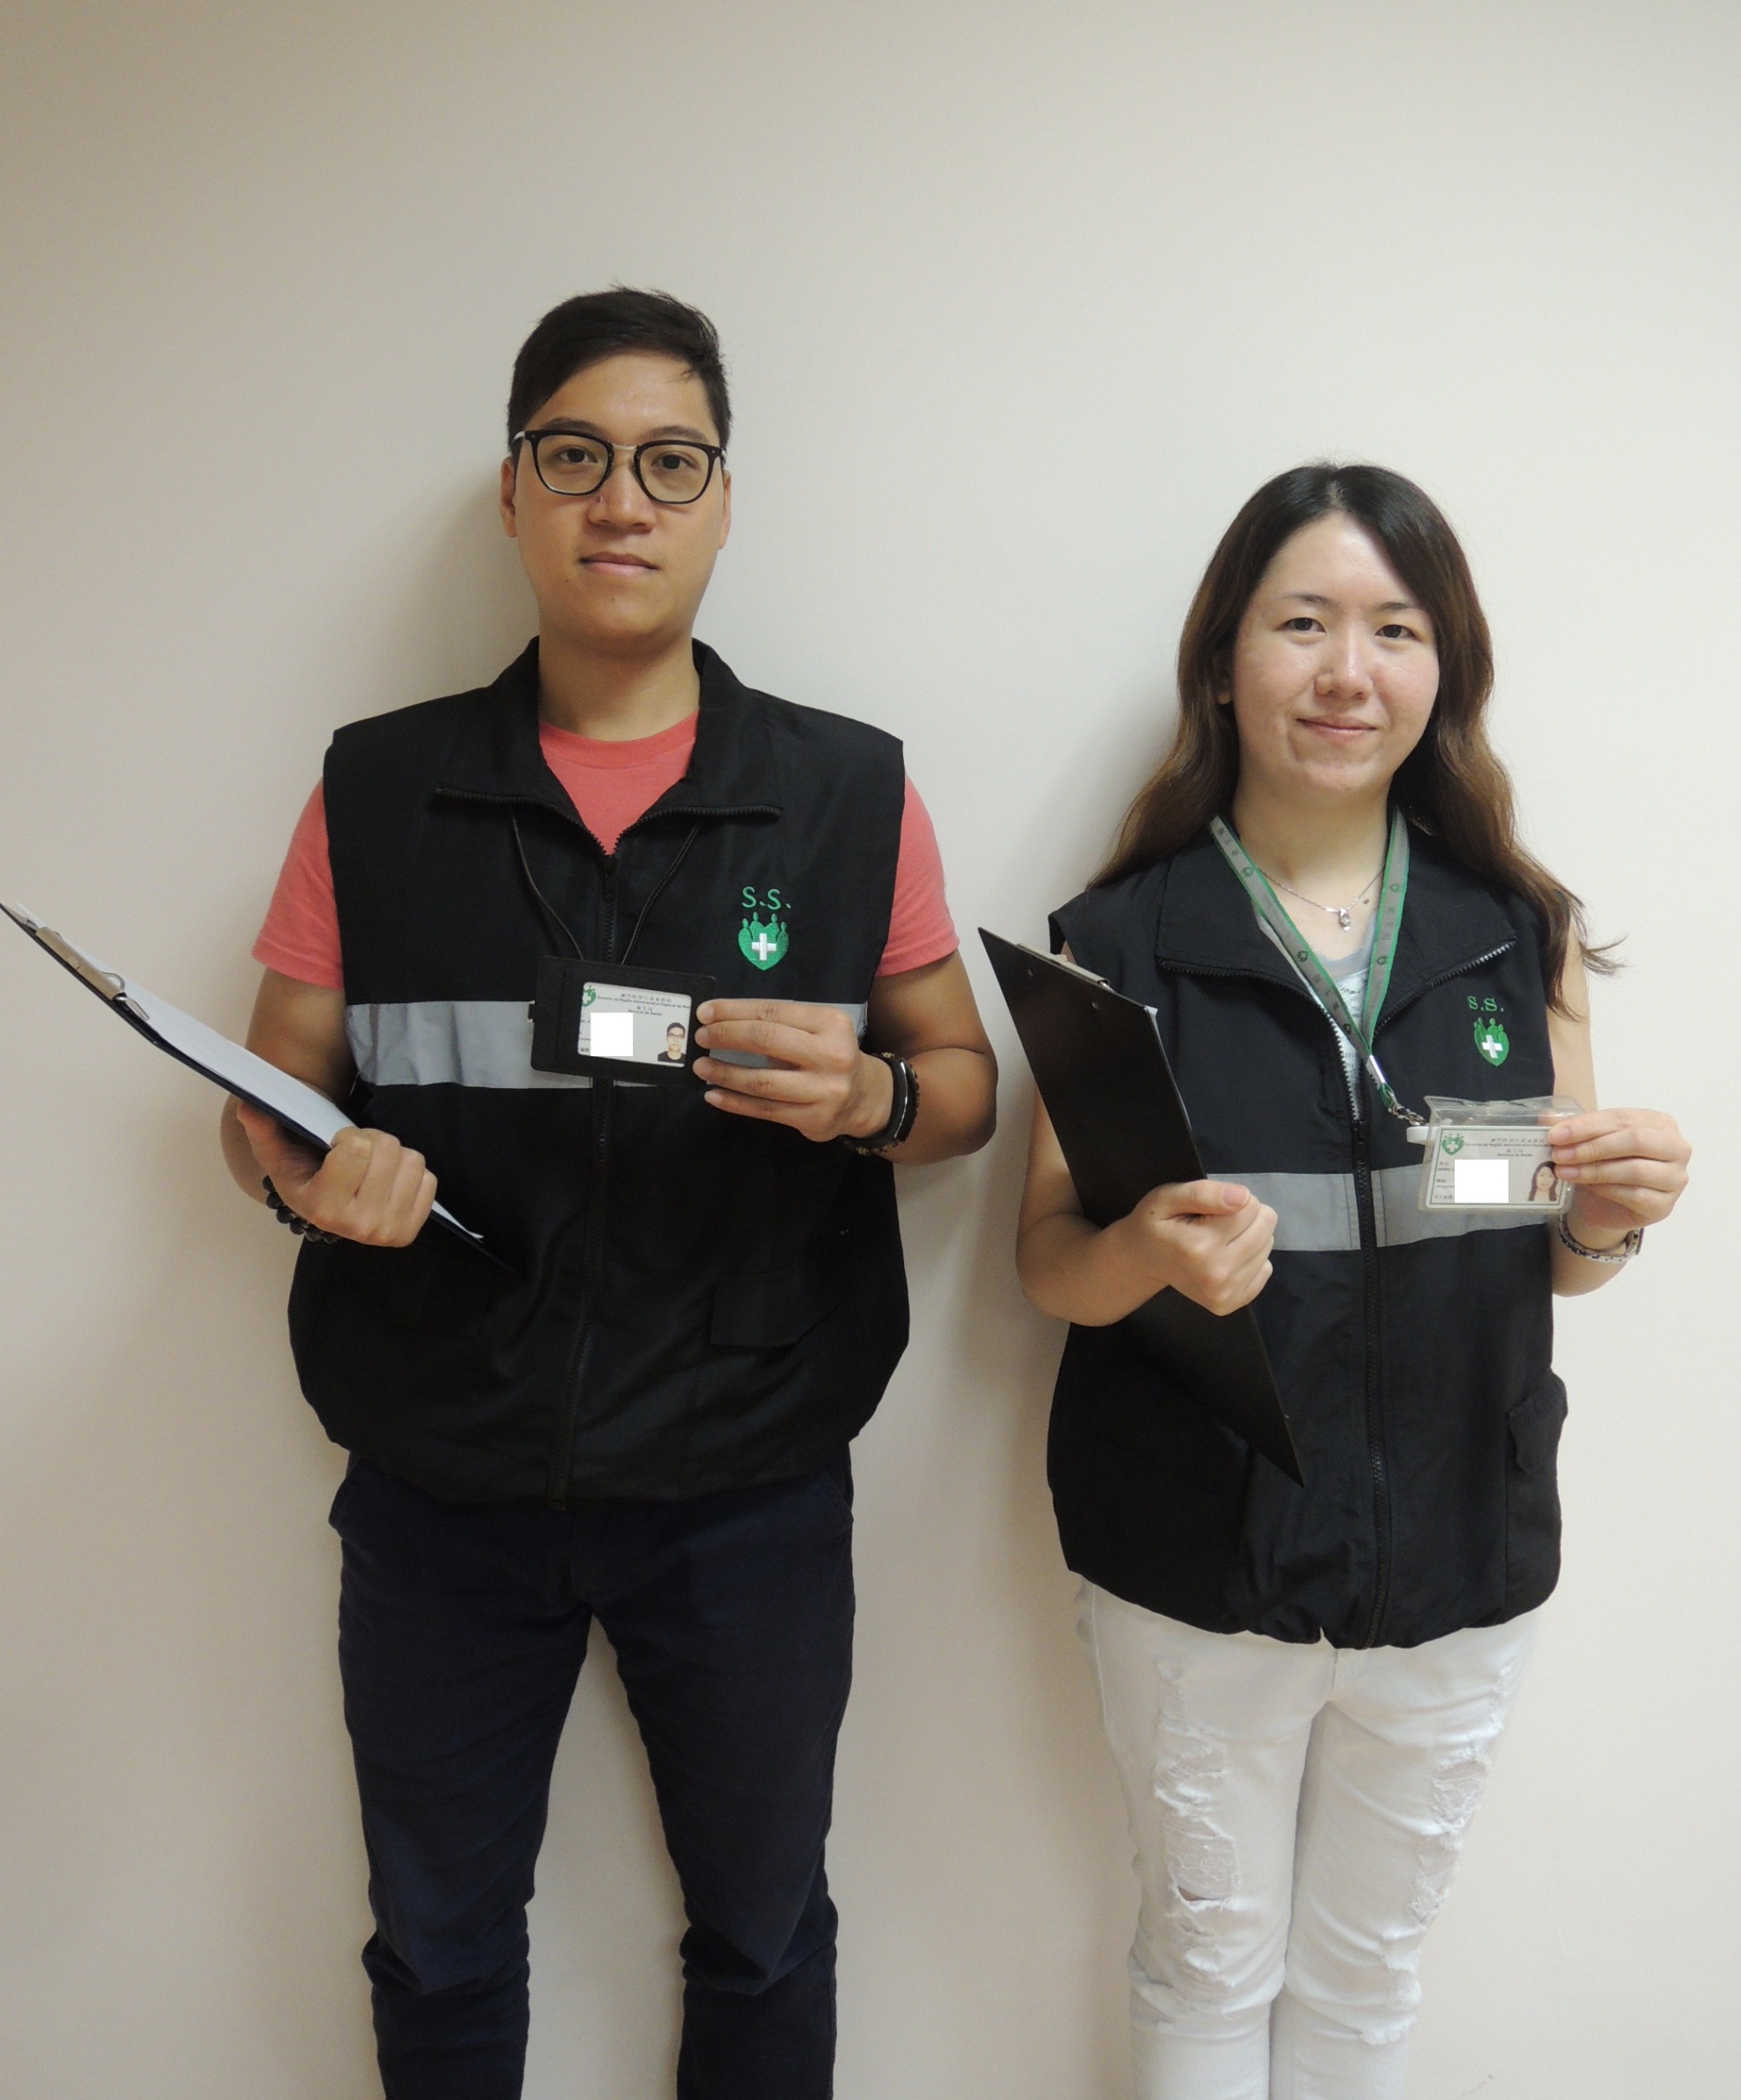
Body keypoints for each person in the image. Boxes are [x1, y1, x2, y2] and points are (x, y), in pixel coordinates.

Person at [220, 288, 998, 2100]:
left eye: (670, 462)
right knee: (436, 1941)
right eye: (574, 457)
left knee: (762, 1931)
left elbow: (963, 1087)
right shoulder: (378, 787)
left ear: (725, 501)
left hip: (746, 1480)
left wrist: (872, 1096)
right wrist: (311, 1182)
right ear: (514, 493)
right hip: (440, 1471)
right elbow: (267, 1100)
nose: (621, 501)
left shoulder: (846, 792)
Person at [1015, 464, 1688, 2099]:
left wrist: (1612, 1218)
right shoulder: (1119, 941)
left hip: (1457, 1547)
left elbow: (1558, 1256)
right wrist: (1139, 1250)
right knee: (1205, 1963)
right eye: (1301, 623)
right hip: (1198, 1555)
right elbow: (1047, 1265)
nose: (1346, 672)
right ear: (1222, 661)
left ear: (1443, 667)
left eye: (1394, 630)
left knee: (1369, 1974)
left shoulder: (1514, 931)